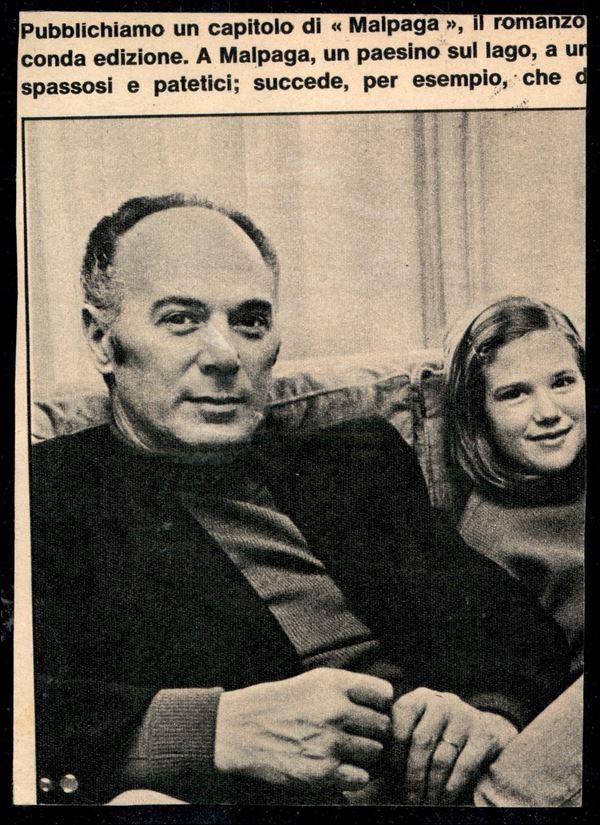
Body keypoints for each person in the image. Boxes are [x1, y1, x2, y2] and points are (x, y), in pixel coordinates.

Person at [30, 198, 570, 806]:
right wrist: (209, 729)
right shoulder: (46, 495)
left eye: (250, 321)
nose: (224, 354)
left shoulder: (354, 460)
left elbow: (512, 625)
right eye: (181, 319)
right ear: (102, 340)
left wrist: (487, 711)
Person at [444, 296, 585, 806]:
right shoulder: (487, 537)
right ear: (478, 415)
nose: (548, 412)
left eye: (562, 382)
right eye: (514, 394)